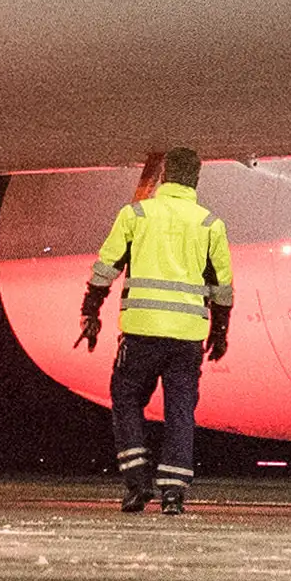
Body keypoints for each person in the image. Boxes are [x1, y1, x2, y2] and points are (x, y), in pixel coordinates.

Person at [74, 151, 232, 515]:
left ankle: (136, 482)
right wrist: (220, 332)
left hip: (141, 331)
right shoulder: (211, 224)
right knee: (180, 410)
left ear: (164, 176)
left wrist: (90, 310)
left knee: (126, 399)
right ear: (195, 179)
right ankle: (174, 492)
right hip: (187, 336)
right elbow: (221, 285)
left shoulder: (136, 215)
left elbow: (107, 266)